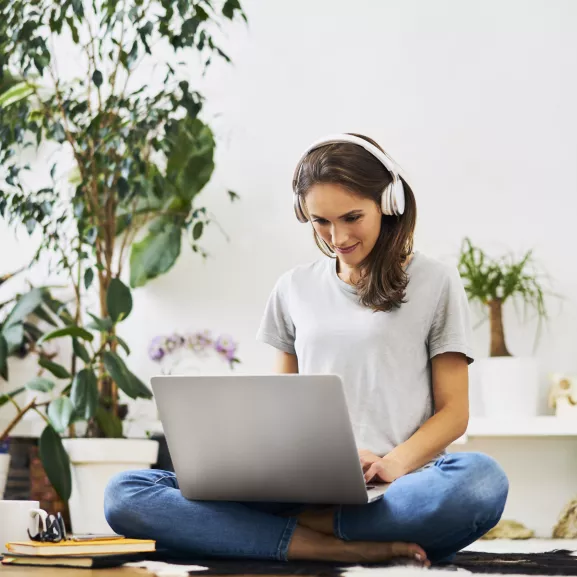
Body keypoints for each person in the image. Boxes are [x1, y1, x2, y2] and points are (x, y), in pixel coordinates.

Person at [104, 133, 509, 567]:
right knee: (124, 494)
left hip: (398, 486)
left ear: (388, 203)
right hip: (298, 489)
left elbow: (454, 412)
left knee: (482, 482)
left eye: (352, 217)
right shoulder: (293, 288)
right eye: (321, 222)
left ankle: (279, 535)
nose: (338, 237)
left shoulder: (435, 282)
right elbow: (282, 409)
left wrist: (390, 465)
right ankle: (325, 543)